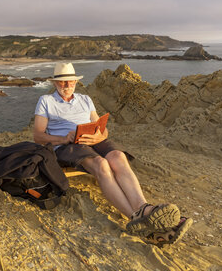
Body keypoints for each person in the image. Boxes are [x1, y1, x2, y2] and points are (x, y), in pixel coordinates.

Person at [33, 62, 191, 246]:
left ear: (76, 81)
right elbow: (38, 136)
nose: (67, 85)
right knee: (101, 164)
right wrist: (63, 138)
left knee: (118, 157)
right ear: (54, 83)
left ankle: (143, 208)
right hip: (67, 144)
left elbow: (103, 129)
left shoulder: (85, 99)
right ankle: (136, 217)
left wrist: (99, 135)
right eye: (62, 82)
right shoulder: (46, 101)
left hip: (92, 139)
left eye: (70, 81)